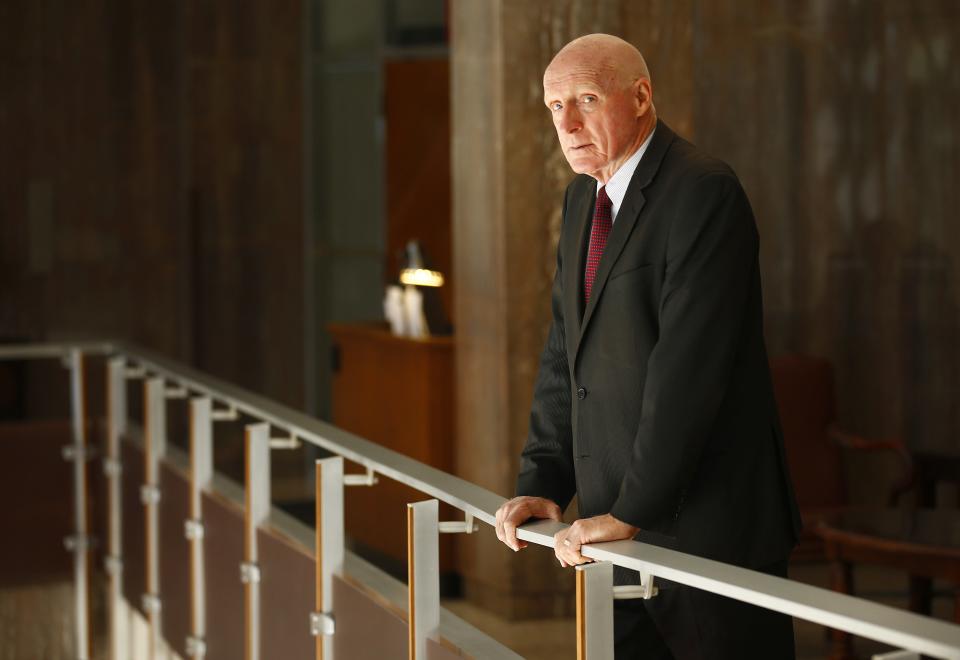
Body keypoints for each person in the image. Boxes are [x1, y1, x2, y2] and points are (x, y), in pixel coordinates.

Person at [493, 34, 802, 659]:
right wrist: (543, 477)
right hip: (612, 530)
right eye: (554, 107)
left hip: (708, 529)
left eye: (585, 99)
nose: (568, 123)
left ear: (641, 97)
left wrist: (632, 509)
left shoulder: (703, 192)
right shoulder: (583, 197)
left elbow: (689, 370)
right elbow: (565, 350)